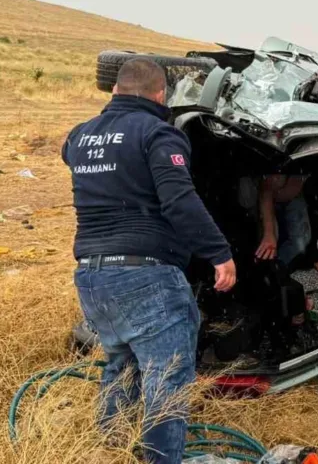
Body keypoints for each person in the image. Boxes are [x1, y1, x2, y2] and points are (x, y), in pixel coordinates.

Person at [63, 58, 236, 464]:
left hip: (92, 277)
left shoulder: (78, 136)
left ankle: (112, 453)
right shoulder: (160, 134)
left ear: (114, 91)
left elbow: (75, 160)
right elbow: (179, 200)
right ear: (162, 95)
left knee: (120, 369)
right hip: (144, 274)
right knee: (168, 380)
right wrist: (219, 253)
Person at [255, 169, 312, 265]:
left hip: (294, 196)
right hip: (267, 196)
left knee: (300, 245)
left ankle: (279, 265)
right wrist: (269, 233)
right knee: (268, 243)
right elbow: (266, 193)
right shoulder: (277, 174)